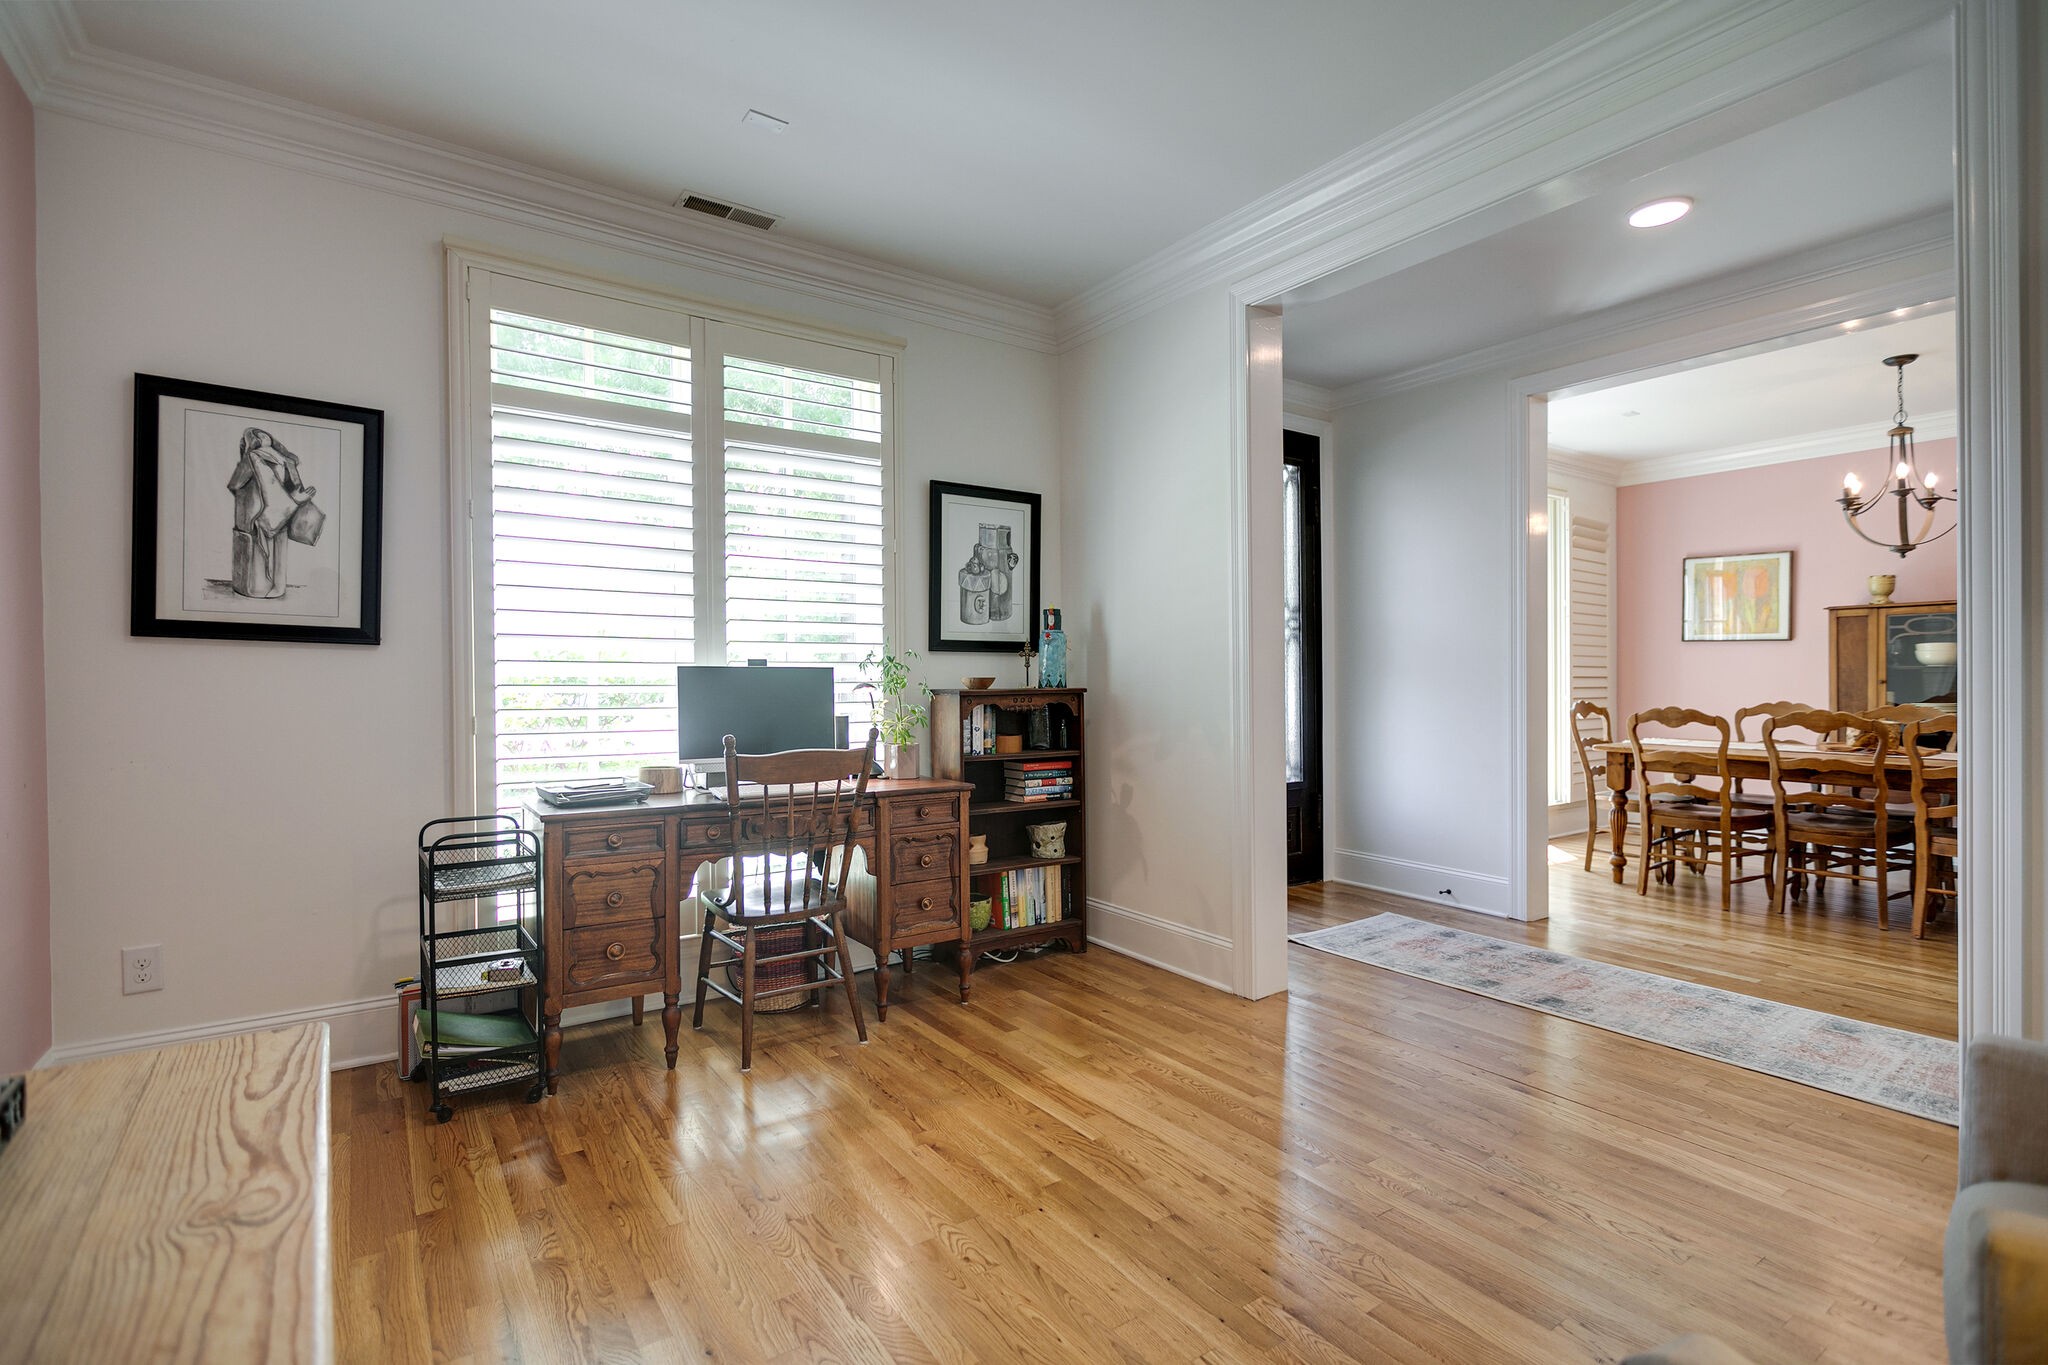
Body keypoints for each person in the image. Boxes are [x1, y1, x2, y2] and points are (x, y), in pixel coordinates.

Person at [226, 427, 320, 598]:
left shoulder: (285, 460)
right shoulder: (253, 456)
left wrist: (294, 498)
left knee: (278, 550)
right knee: (257, 554)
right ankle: (257, 589)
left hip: (280, 513)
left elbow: (286, 485)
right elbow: (239, 485)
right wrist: (295, 499)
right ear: (252, 441)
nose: (264, 435)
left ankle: (277, 587)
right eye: (258, 435)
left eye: (265, 433)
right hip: (258, 514)